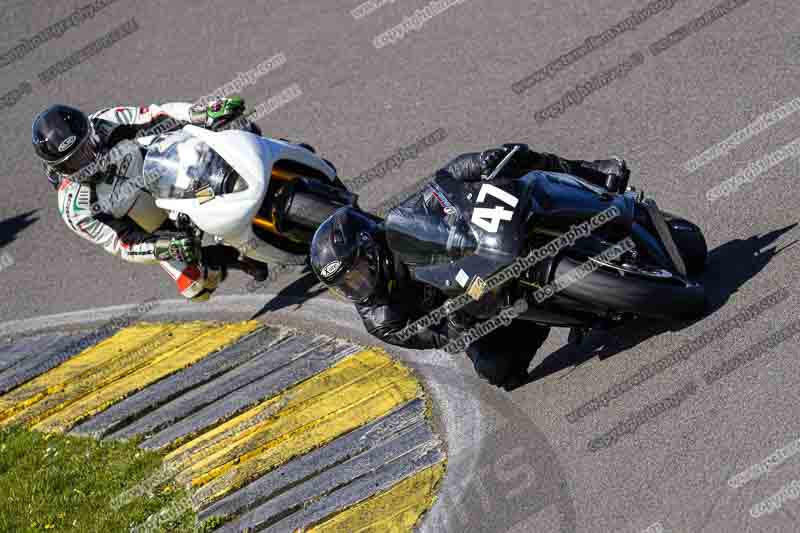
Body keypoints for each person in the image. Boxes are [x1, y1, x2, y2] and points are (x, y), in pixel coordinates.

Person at [309, 143, 629, 389]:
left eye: (356, 274)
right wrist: (458, 319)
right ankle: (564, 313)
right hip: (474, 303)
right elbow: (439, 338)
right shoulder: (381, 320)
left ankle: (589, 174)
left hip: (486, 247)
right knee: (497, 371)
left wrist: (480, 162)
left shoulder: (400, 224)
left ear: (369, 247)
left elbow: (442, 183)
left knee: (511, 161)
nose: (357, 286)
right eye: (346, 286)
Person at [32, 97, 281, 301]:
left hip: (169, 170)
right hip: (153, 224)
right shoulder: (74, 208)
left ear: (90, 132)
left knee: (227, 124)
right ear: (58, 169)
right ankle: (232, 255)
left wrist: (201, 113)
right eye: (74, 162)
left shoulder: (107, 120)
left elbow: (157, 116)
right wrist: (162, 247)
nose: (85, 161)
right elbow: (122, 244)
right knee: (197, 287)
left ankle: (273, 152)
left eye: (86, 148)